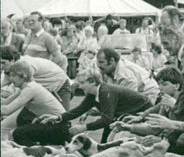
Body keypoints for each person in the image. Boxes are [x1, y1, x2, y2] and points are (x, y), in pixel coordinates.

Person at [14, 70, 151, 145]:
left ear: (92, 82)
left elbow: (106, 119)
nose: (79, 86)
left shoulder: (105, 91)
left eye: (82, 83)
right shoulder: (94, 92)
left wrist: (84, 127)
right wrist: (58, 117)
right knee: (106, 142)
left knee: (110, 140)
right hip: (129, 113)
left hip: (142, 112)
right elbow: (78, 110)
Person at [1, 61, 65, 140]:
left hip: (59, 126)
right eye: (10, 75)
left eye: (13, 76)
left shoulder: (30, 89)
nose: (11, 79)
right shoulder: (26, 87)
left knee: (18, 134)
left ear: (24, 76)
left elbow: (7, 110)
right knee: (3, 128)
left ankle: (32, 151)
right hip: (51, 122)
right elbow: (5, 102)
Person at [1, 46, 73, 110]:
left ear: (13, 59)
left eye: (3, 63)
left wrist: (7, 102)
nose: (1, 66)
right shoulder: (12, 67)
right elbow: (3, 85)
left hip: (61, 85)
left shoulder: (26, 65)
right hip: (47, 87)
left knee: (63, 118)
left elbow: (26, 91)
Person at [96, 47, 160, 104]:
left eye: (101, 62)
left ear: (112, 60)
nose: (98, 65)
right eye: (98, 62)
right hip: (139, 95)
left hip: (149, 95)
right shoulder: (109, 70)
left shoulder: (124, 73)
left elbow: (130, 97)